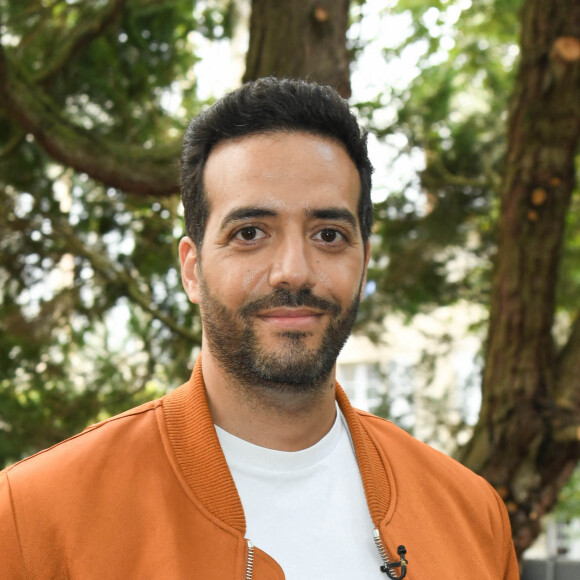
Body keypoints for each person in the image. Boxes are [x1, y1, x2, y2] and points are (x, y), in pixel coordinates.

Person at [0, 77, 518, 579]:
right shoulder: (35, 517)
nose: (294, 268)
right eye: (250, 233)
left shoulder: (473, 516)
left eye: (329, 234)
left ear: (364, 263)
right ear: (192, 269)